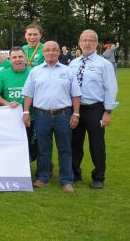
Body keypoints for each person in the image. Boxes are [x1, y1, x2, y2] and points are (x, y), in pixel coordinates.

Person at [22, 41, 81, 193]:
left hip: (63, 115)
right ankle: (42, 177)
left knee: (65, 149)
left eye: (54, 50)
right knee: (43, 148)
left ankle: (66, 180)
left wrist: (76, 113)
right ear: (43, 52)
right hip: (42, 115)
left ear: (59, 52)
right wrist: (26, 112)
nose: (51, 53)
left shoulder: (68, 71)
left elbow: (75, 94)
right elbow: (28, 94)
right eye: (47, 50)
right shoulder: (35, 71)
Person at [69, 30, 118, 189]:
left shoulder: (104, 64)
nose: (87, 43)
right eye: (84, 40)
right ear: (79, 43)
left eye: (91, 40)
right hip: (76, 109)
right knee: (75, 143)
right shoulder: (73, 63)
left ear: (96, 44)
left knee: (97, 144)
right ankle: (74, 172)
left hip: (95, 109)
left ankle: (98, 176)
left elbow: (111, 88)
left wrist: (107, 112)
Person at [0, 47, 35, 161]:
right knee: (15, 148)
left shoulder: (33, 72)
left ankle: (41, 170)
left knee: (34, 147)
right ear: (10, 59)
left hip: (32, 118)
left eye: (20, 56)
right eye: (14, 57)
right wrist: (7, 103)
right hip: (12, 120)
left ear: (25, 58)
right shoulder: (3, 74)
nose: (17, 60)